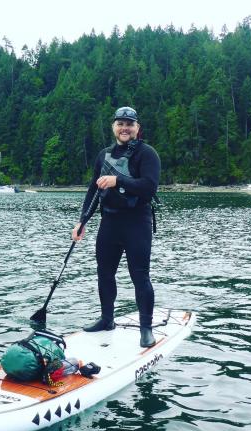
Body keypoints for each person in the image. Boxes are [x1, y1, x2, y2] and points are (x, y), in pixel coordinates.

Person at [72, 106, 161, 348]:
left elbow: (149, 187)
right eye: (120, 124)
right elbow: (93, 190)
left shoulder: (147, 154)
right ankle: (107, 319)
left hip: (136, 223)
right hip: (109, 223)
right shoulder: (104, 155)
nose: (125, 128)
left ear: (137, 128)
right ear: (114, 127)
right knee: (104, 273)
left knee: (139, 276)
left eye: (129, 124)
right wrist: (82, 221)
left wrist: (118, 180)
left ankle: (146, 328)